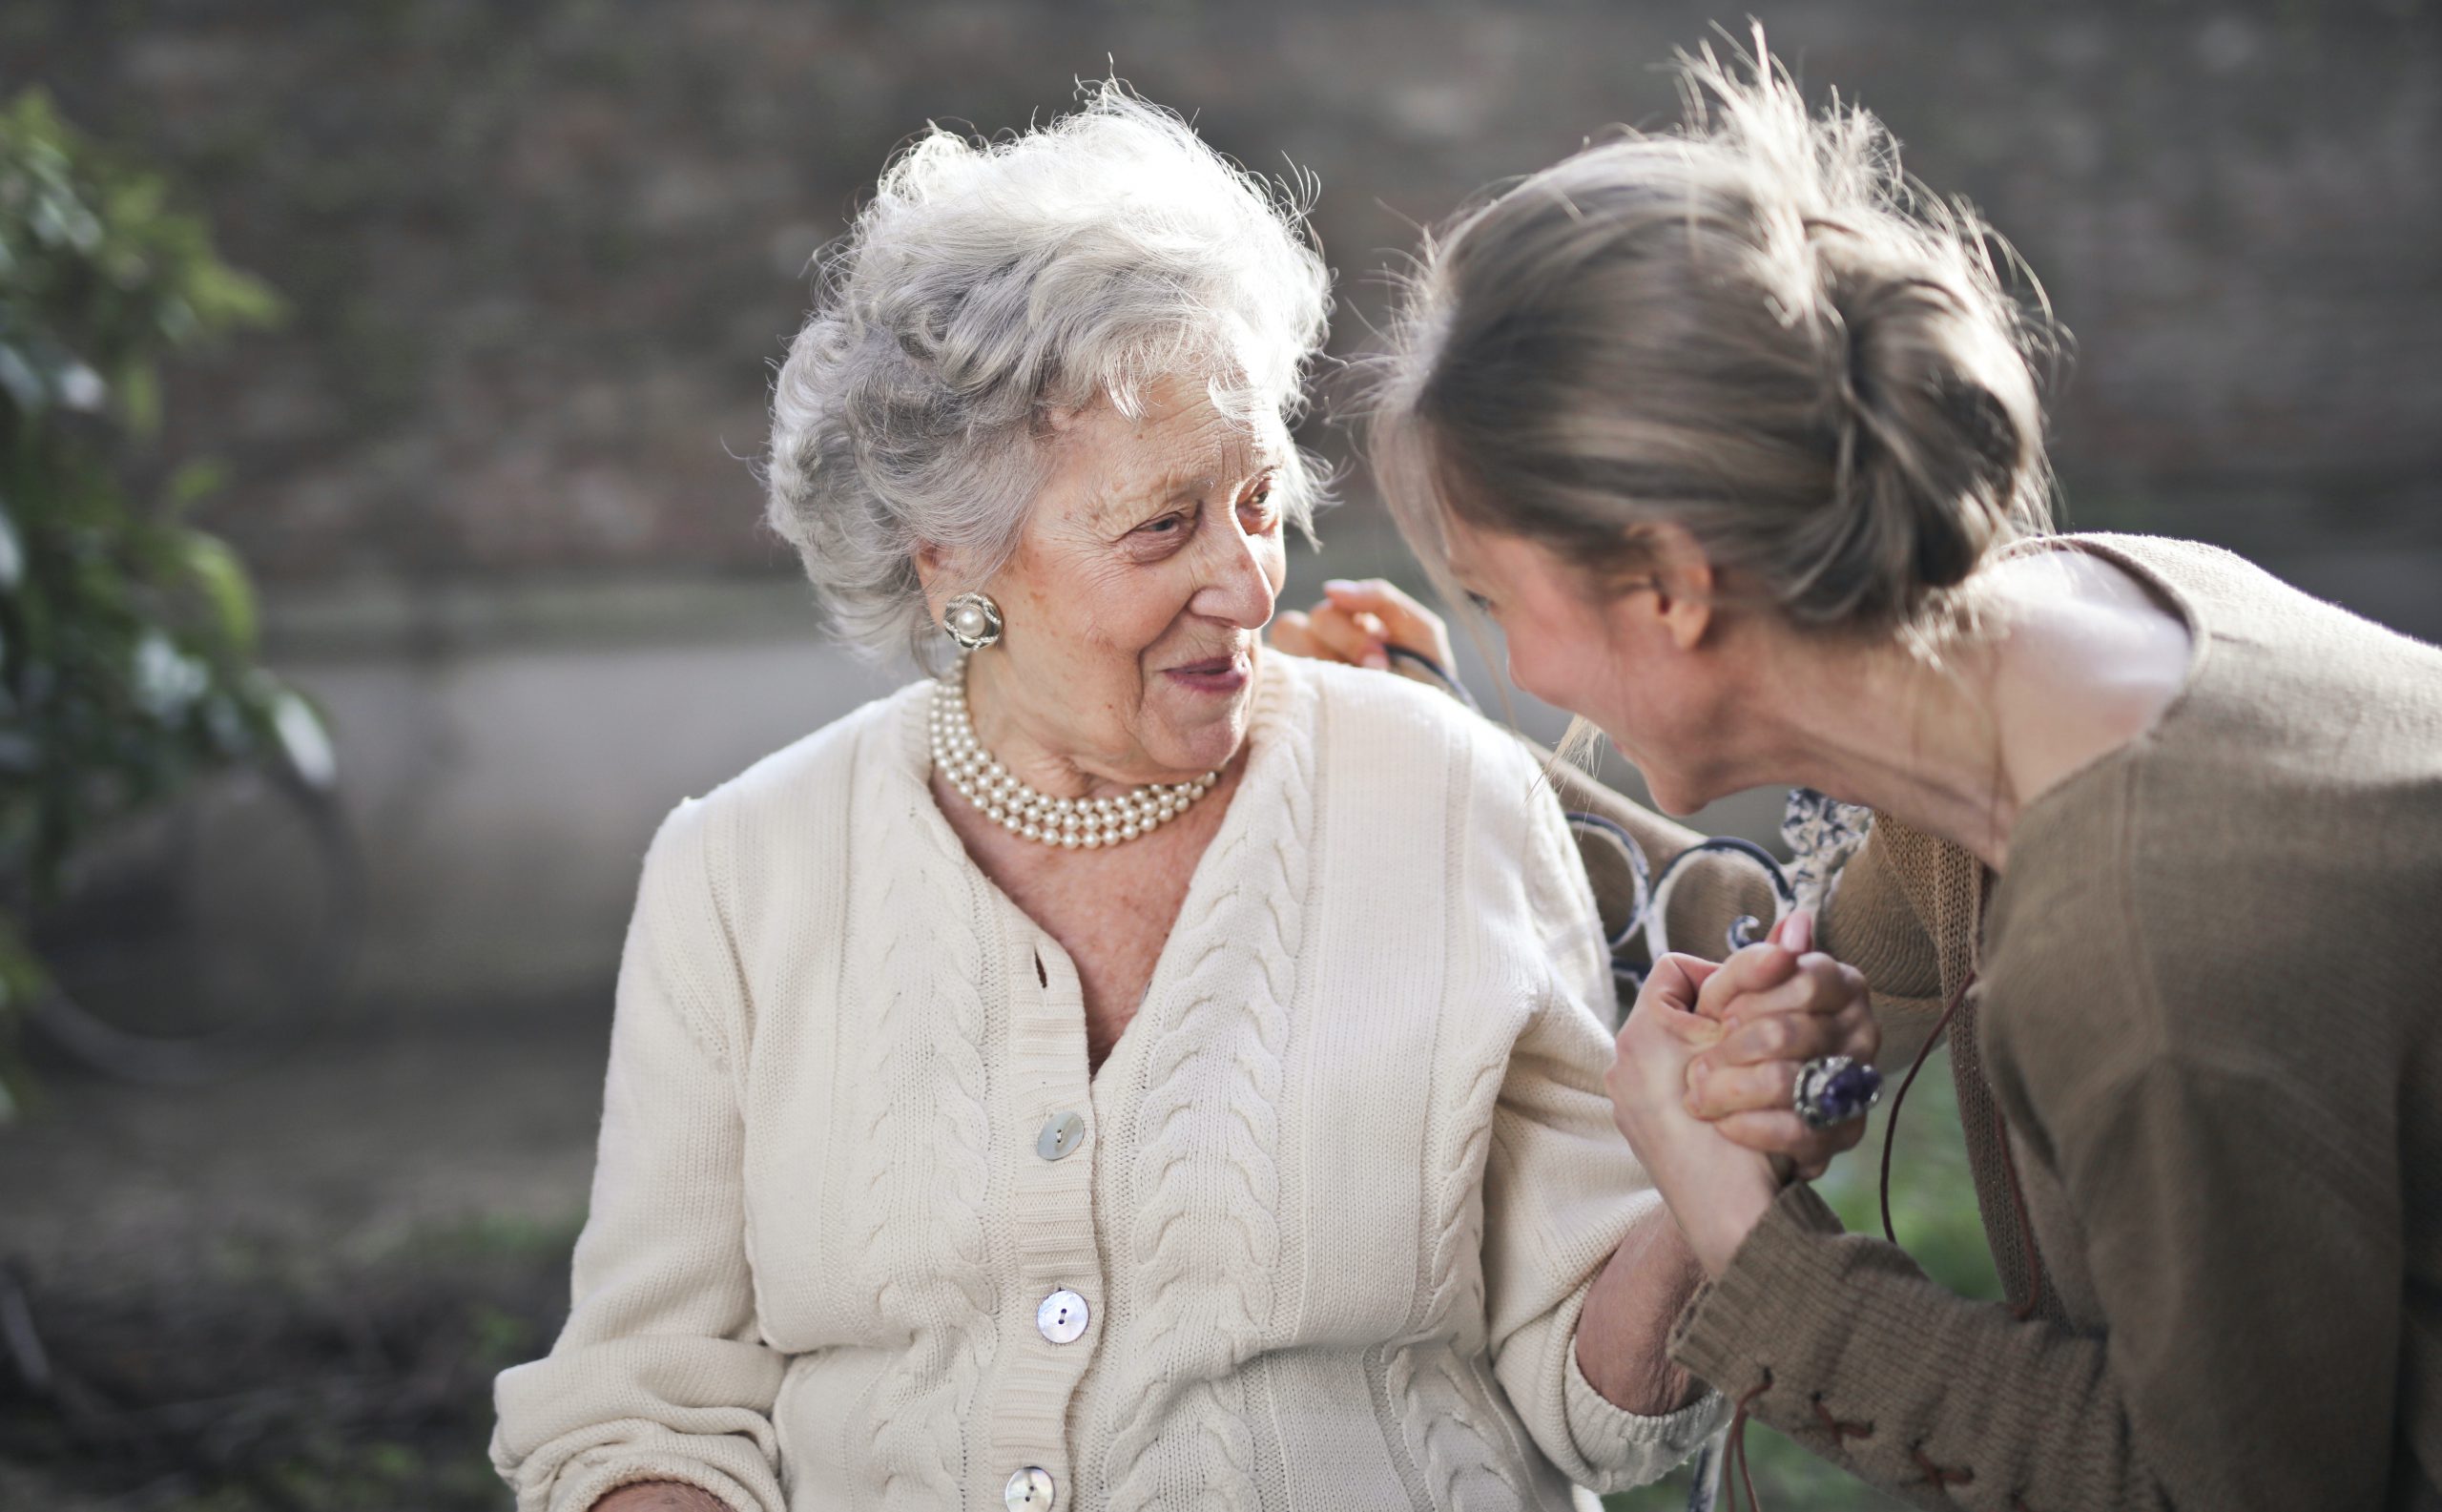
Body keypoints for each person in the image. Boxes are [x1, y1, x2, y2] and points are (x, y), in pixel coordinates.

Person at [487, 87, 1874, 1512]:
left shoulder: (1440, 795)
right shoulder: (740, 871)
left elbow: (1600, 1408)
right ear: (952, 561)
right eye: (1164, 524)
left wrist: (1702, 1180)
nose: (1247, 579)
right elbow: (642, 1405)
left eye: (1260, 501)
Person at [1352, 34, 2442, 1512]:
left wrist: (1753, 1247)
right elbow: (1804, 933)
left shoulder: (2144, 946)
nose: (1523, 669)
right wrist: (1424, 740)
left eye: (1495, 601)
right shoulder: (2074, 628)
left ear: (1670, 588)